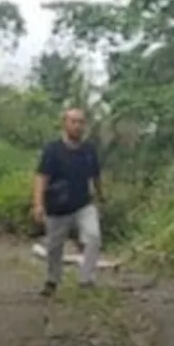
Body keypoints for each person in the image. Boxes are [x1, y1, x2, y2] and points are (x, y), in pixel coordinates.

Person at [32, 107, 104, 297]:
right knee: (55, 247)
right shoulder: (53, 150)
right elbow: (41, 177)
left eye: (81, 122)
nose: (78, 126)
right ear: (64, 123)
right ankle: (52, 280)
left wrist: (101, 196)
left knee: (94, 237)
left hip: (83, 204)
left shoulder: (89, 150)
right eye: (73, 121)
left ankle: (86, 279)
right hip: (57, 207)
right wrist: (38, 204)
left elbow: (96, 176)